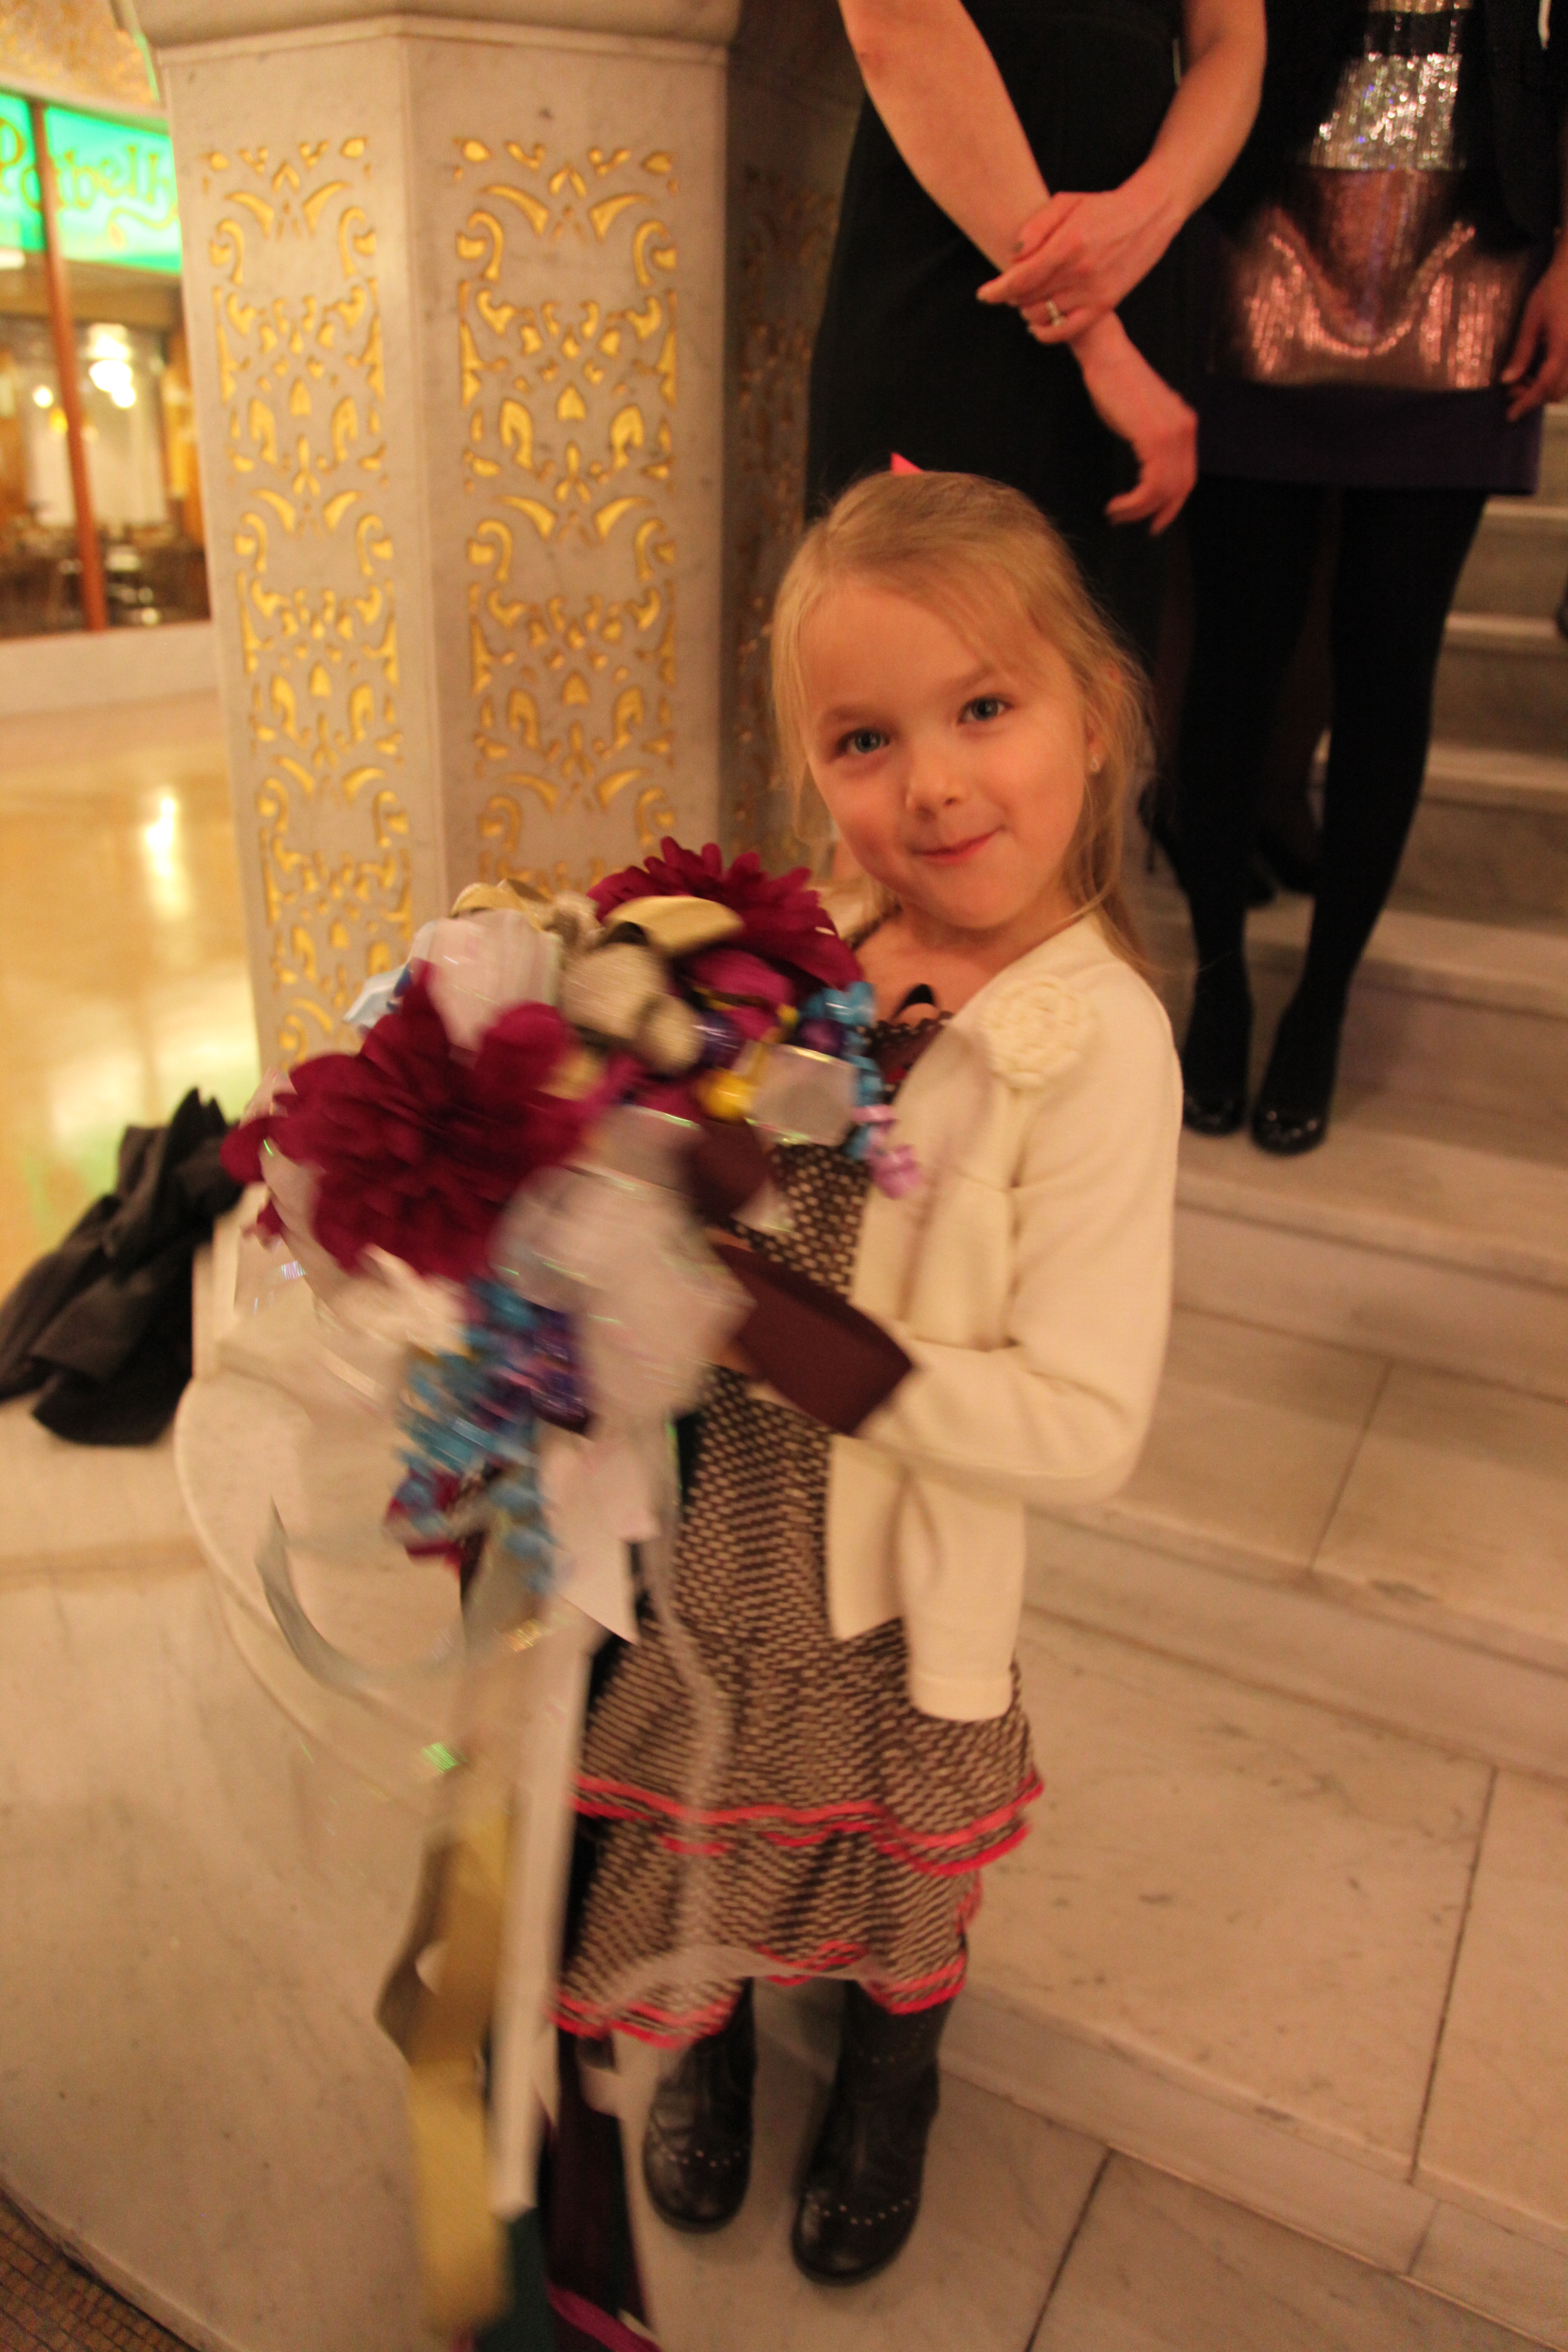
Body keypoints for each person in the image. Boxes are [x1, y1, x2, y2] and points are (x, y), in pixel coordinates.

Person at [556, 471, 1182, 2283]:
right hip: (716, 1528)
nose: (933, 785)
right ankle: (714, 2032)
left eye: (985, 707)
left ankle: (893, 2077)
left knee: (892, 1847)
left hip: (894, 1573)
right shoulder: (807, 944)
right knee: (698, 1797)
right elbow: (733, 1164)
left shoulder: (1097, 1046)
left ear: (1094, 710)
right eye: (864, 739)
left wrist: (779, 1333)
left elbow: (1085, 1422)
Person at [1174, 0, 1568, 1153]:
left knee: (1391, 663)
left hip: (1477, 253)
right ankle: (1218, 981)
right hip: (1258, 235)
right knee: (1235, 654)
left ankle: (1324, 999)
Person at [805, 0, 1266, 660]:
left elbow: (1231, 39)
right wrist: (1096, 337)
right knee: (910, 663)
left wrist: (1149, 211)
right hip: (948, 265)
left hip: (1132, 263)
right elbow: (896, 21)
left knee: (1093, 677)